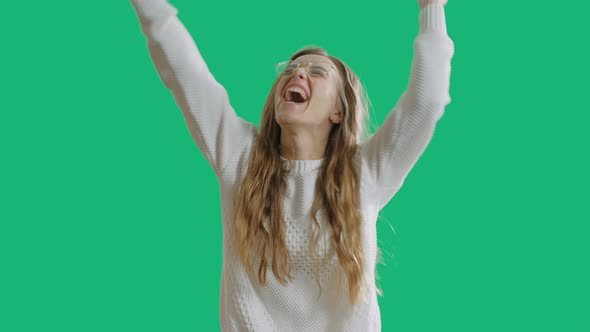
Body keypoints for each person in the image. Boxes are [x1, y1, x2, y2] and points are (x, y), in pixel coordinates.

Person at [130, 0, 454, 331]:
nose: (297, 72)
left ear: (338, 113)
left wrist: (432, 7)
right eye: (290, 69)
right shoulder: (240, 158)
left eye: (317, 72)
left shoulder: (363, 174)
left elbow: (426, 102)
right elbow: (186, 74)